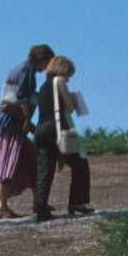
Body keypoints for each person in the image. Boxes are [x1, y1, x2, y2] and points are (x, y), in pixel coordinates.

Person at [0, 44, 51, 218]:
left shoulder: (22, 68)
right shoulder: (27, 70)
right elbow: (22, 97)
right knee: (9, 162)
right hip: (12, 124)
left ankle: (38, 202)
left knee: (32, 160)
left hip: (13, 122)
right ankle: (1, 205)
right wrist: (27, 120)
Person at [34, 55, 92, 222]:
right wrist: (74, 98)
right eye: (69, 74)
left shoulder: (44, 86)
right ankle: (77, 202)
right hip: (56, 130)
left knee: (46, 169)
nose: (68, 78)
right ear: (63, 70)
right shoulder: (59, 81)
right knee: (80, 163)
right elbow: (70, 108)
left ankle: (41, 206)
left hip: (41, 129)